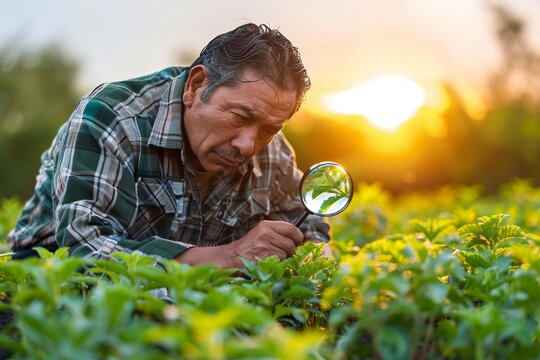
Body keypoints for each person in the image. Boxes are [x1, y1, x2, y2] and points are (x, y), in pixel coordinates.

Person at [7, 23, 330, 268]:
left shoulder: (270, 147)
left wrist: (314, 257)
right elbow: (84, 246)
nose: (248, 145)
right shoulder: (113, 118)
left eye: (269, 128)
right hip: (53, 284)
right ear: (197, 85)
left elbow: (305, 218)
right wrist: (228, 257)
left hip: (196, 308)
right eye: (239, 116)